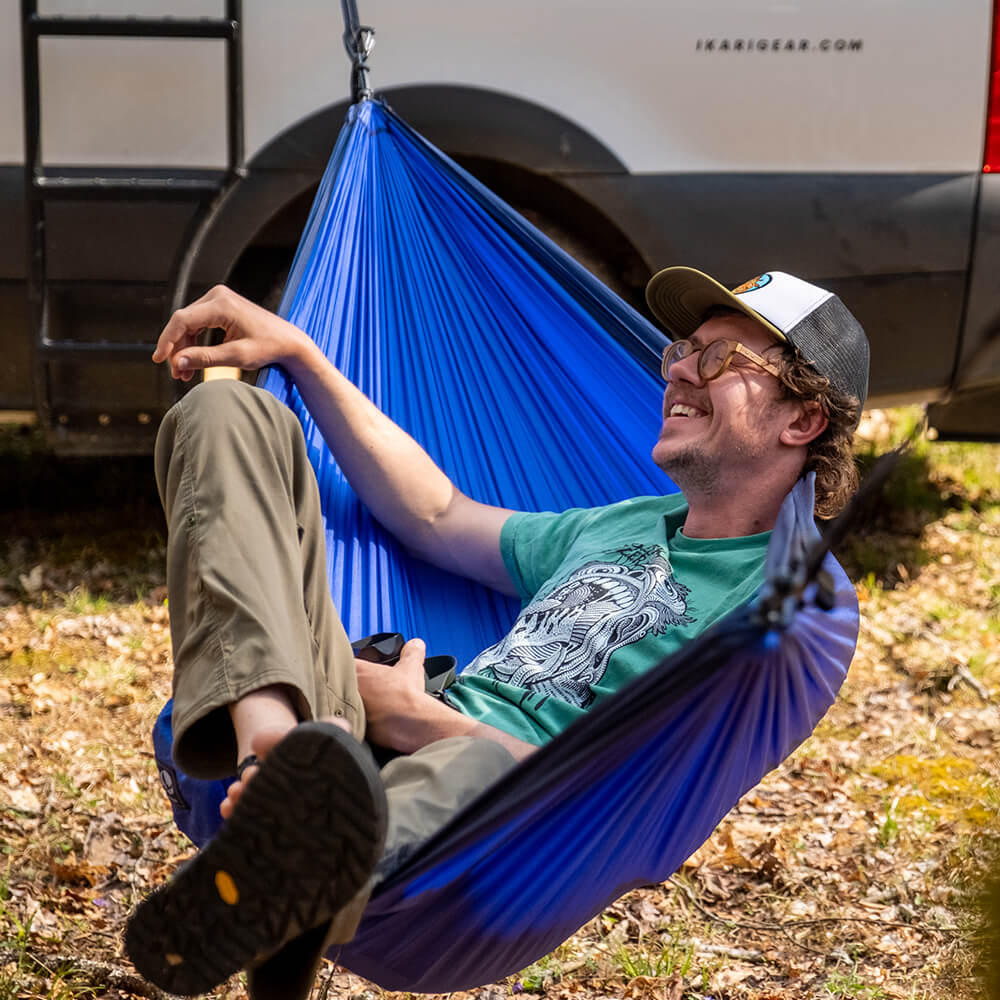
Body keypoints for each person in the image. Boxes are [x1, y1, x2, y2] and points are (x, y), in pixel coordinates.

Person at [125, 267, 869, 1000]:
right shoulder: (627, 523)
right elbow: (436, 514)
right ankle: (273, 759)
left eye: (718, 360)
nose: (679, 374)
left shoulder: (792, 613)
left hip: (483, 843)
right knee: (226, 417)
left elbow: (599, 804)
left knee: (480, 775)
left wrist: (419, 718)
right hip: (332, 737)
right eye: (681, 352)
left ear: (802, 420)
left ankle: (295, 854)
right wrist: (300, 354)